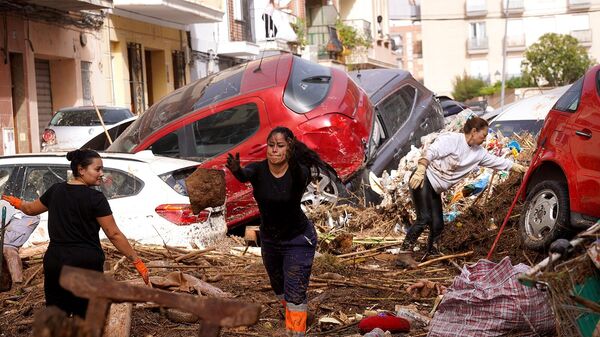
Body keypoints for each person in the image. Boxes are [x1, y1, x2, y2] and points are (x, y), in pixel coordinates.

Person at [1, 149, 149, 318]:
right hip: (85, 264)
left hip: (56, 262)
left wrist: (16, 202)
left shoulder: (55, 191)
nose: (101, 173)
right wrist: (136, 260)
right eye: (97, 169)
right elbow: (113, 233)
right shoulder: (96, 199)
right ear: (81, 170)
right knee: (85, 317)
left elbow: (30, 209)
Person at [226, 126, 331, 337]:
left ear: (289, 149)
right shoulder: (258, 170)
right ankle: (297, 315)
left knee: (294, 292)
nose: (274, 150)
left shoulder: (299, 172)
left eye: (280, 146)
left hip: (298, 239)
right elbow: (244, 175)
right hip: (270, 240)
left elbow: (298, 174)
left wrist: (292, 157)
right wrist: (236, 169)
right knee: (278, 286)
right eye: (271, 145)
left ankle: (295, 331)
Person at [401, 116, 527, 257]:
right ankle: (404, 254)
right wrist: (421, 168)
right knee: (424, 218)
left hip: (435, 189)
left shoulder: (478, 153)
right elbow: (431, 151)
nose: (485, 139)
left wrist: (517, 167)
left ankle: (432, 252)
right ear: (474, 131)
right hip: (423, 178)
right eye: (483, 135)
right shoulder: (452, 139)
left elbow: (497, 162)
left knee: (437, 224)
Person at [1, 199, 40, 285]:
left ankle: (17, 281)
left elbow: (3, 222)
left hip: (27, 217)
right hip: (18, 217)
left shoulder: (2, 205)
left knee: (8, 247)